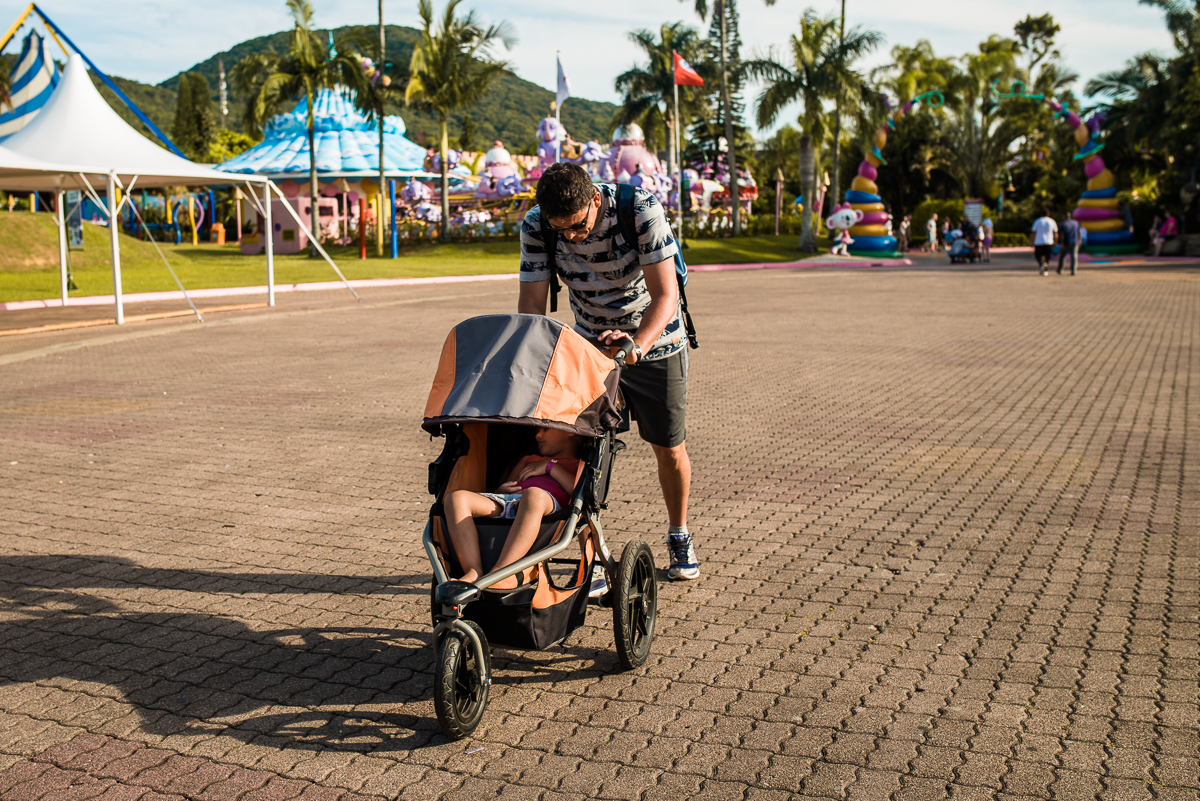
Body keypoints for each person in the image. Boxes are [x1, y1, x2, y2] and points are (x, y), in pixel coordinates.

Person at [517, 162, 699, 584]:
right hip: (590, 345)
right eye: (561, 230)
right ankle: (593, 556)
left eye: (577, 227)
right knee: (581, 451)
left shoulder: (639, 210)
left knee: (668, 447)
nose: (570, 238)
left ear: (595, 200)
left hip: (655, 343)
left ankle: (679, 534)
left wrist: (636, 347)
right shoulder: (537, 224)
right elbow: (532, 306)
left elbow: (666, 294)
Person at [444, 427, 582, 588]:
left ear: (570, 430)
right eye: (537, 431)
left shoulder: (579, 464)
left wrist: (550, 466)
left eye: (545, 429)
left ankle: (502, 571)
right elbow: (507, 487)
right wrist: (499, 491)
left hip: (544, 503)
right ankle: (473, 571)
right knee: (455, 498)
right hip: (510, 501)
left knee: (533, 494)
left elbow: (578, 493)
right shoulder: (529, 459)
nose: (538, 435)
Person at [1031, 208, 1058, 275]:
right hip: (1049, 241)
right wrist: (1056, 242)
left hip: (1039, 242)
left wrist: (1031, 241)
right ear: (1048, 214)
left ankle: (1042, 265)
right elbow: (1055, 233)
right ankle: (1045, 268)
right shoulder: (1052, 221)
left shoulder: (1037, 221)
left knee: (1038, 255)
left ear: (1041, 214)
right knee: (1047, 256)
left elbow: (1033, 232)